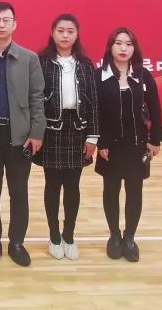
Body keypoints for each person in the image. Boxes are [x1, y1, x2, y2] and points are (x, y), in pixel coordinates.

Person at [0, 2, 45, 267]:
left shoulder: (29, 58)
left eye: (6, 20)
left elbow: (37, 97)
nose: (1, 24)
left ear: (15, 24)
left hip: (20, 137)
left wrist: (37, 132)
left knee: (19, 192)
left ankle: (16, 243)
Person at [95, 27, 162, 262]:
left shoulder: (143, 75)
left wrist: (154, 139)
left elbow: (155, 108)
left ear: (134, 48)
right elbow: (96, 113)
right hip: (110, 146)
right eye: (118, 43)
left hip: (137, 145)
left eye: (128, 44)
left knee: (135, 192)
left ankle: (129, 237)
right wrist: (101, 141)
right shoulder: (100, 76)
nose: (123, 48)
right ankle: (114, 236)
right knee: (111, 191)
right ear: (110, 47)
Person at [37, 14, 99, 261]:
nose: (65, 35)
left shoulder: (85, 64)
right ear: (52, 32)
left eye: (70, 31)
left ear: (77, 34)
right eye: (60, 30)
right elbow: (34, 100)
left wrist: (92, 136)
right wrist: (35, 132)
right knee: (52, 185)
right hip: (50, 131)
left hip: (78, 130)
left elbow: (94, 102)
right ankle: (54, 235)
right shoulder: (41, 62)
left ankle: (69, 235)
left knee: (73, 186)